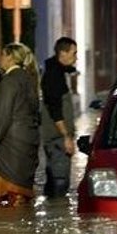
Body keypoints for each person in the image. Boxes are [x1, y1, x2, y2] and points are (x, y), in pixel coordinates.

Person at [0, 43, 41, 207]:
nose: (0, 59)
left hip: (11, 145)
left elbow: (3, 114)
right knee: (22, 197)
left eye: (2, 55)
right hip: (28, 141)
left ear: (10, 57)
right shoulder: (29, 79)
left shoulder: (10, 81)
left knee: (8, 200)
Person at [40, 37, 78, 198]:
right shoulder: (54, 76)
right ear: (62, 53)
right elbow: (55, 109)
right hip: (57, 138)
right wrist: (66, 136)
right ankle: (57, 210)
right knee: (59, 181)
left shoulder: (57, 71)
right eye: (73, 53)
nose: (76, 57)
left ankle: (53, 211)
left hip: (55, 138)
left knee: (54, 179)